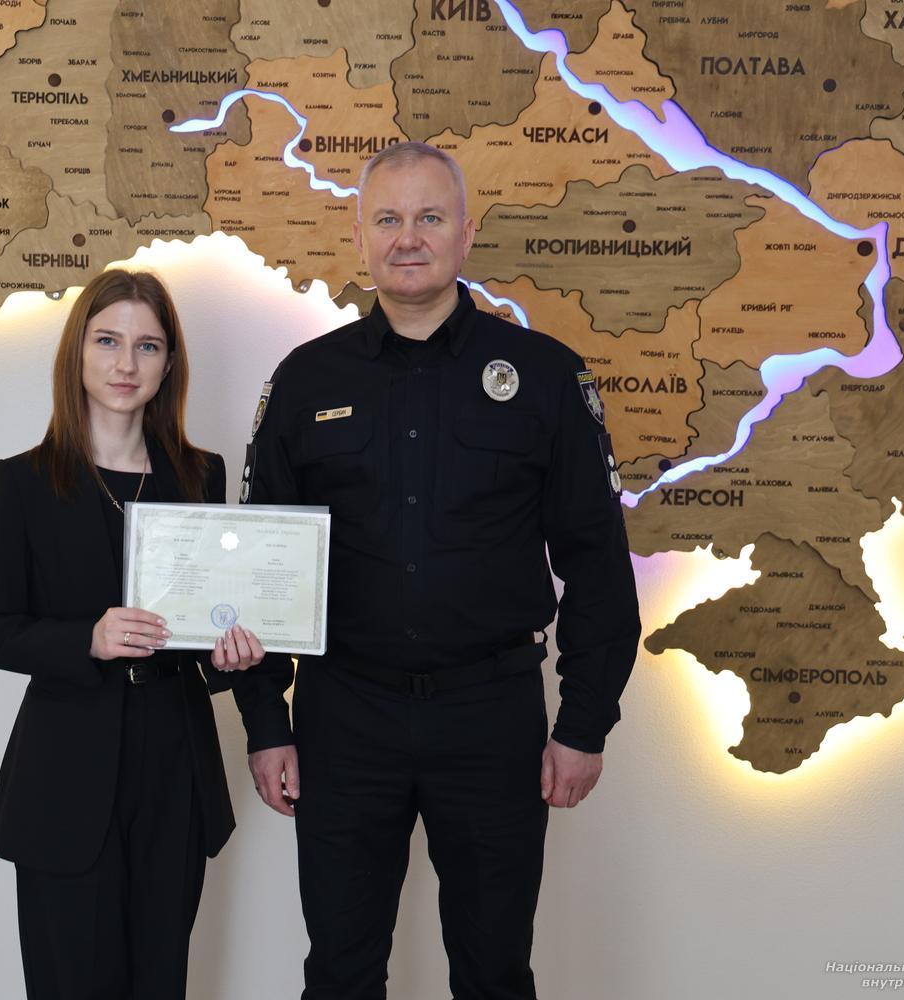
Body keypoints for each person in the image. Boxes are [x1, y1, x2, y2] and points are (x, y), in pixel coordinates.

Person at [231, 142, 641, 1000]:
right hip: (345, 717)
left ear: (465, 232)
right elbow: (261, 564)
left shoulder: (545, 376)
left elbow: (598, 563)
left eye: (428, 217)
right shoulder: (306, 382)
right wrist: (267, 721)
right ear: (360, 237)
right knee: (340, 974)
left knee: (494, 973)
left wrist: (584, 723)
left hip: (491, 719)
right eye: (387, 219)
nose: (407, 237)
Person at [0, 268, 266, 999]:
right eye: (107, 341)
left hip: (175, 762)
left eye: (147, 346)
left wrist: (233, 656)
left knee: (160, 982)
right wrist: (86, 639)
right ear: (77, 353)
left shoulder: (200, 476)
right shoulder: (22, 481)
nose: (126, 363)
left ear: (169, 364)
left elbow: (211, 621)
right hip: (66, 767)